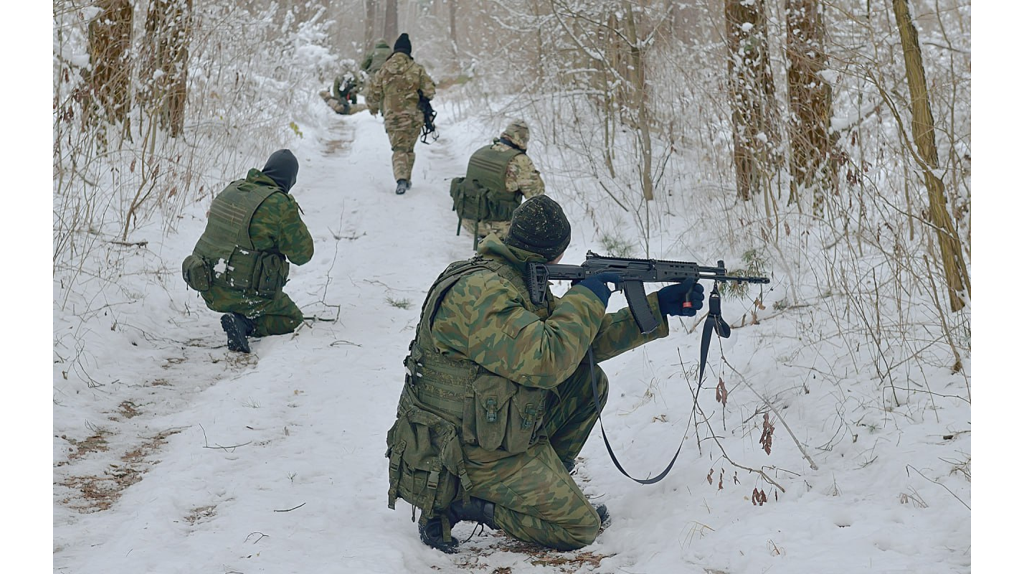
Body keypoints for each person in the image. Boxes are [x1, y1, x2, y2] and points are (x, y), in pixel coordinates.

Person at [384, 195, 706, 553]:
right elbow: (547, 360)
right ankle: (468, 502)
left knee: (588, 382)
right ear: (554, 254)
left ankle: (543, 484)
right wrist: (587, 297)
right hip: (460, 452)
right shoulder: (480, 292)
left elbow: (579, 345)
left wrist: (657, 306)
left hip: (489, 430)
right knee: (580, 528)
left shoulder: (512, 279)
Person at [181, 149, 314, 353]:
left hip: (208, 286)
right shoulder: (279, 204)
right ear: (290, 180)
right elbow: (303, 255)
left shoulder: (233, 188)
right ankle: (246, 323)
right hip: (243, 293)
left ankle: (240, 311)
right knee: (291, 319)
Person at [451, 119, 546, 247]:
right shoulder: (519, 160)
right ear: (523, 140)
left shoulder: (481, 151)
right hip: (497, 228)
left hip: (469, 220)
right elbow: (537, 196)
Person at [365, 33, 436, 195]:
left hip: (393, 117)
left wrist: (374, 107)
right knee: (408, 148)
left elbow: (373, 93)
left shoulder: (384, 69)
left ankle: (401, 180)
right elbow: (430, 91)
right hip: (414, 117)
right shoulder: (417, 69)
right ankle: (405, 179)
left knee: (399, 149)